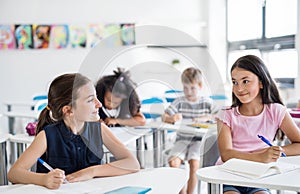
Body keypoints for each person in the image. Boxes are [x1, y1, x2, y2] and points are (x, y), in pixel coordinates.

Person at [8, 73, 140, 189]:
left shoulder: (99, 128)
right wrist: (43, 179)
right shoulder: (47, 136)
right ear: (68, 110)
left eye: (96, 97)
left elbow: (132, 163)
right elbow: (14, 173)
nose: (99, 104)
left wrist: (91, 172)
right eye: (90, 100)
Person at [216, 55, 300, 194]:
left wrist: (275, 153)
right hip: (230, 174)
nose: (239, 88)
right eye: (235, 82)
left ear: (261, 82)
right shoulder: (225, 114)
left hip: (259, 175)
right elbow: (226, 154)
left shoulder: (276, 111)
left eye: (245, 81)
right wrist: (260, 157)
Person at [162, 67, 215, 194]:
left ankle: (191, 192)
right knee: (173, 162)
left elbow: (218, 116)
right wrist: (171, 118)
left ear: (200, 86)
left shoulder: (206, 102)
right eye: (185, 88)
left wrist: (204, 118)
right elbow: (164, 116)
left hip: (198, 141)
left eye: (192, 88)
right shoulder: (179, 101)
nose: (188, 92)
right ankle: (182, 192)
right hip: (182, 139)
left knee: (194, 163)